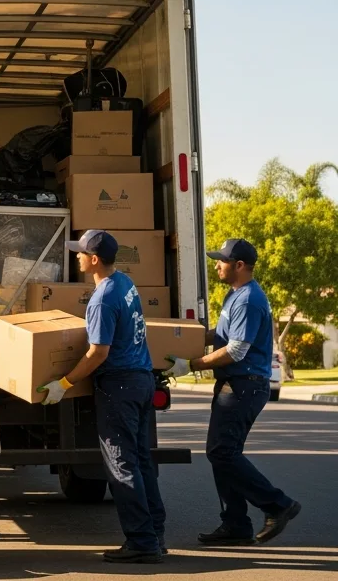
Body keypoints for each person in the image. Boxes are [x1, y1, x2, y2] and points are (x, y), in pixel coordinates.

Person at [163, 238, 300, 545]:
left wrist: (191, 364)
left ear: (239, 266)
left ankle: (277, 505)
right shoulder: (234, 295)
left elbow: (236, 350)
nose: (216, 265)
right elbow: (222, 335)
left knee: (221, 452)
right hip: (234, 384)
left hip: (244, 386)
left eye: (222, 261)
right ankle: (236, 524)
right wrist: (186, 338)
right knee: (224, 453)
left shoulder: (250, 299)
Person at [41, 230, 166, 563]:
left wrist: (64, 383)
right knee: (140, 461)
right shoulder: (124, 283)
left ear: (94, 259)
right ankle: (155, 533)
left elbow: (98, 352)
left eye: (80, 253)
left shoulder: (102, 299)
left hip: (119, 387)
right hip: (141, 379)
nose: (76, 257)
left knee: (121, 465)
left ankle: (141, 541)